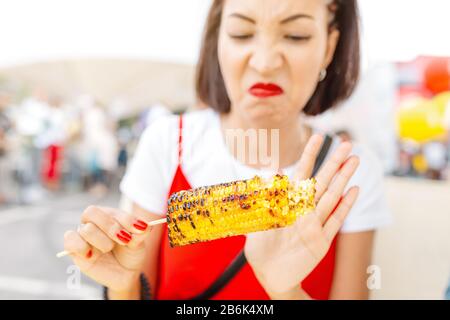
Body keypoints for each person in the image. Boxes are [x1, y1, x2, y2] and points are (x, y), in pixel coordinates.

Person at [63, 0, 391, 300]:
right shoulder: (167, 143)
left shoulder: (350, 171)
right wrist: (122, 285)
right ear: (217, 40)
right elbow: (133, 289)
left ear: (329, 47)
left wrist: (287, 292)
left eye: (295, 35)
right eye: (241, 33)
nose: (264, 62)